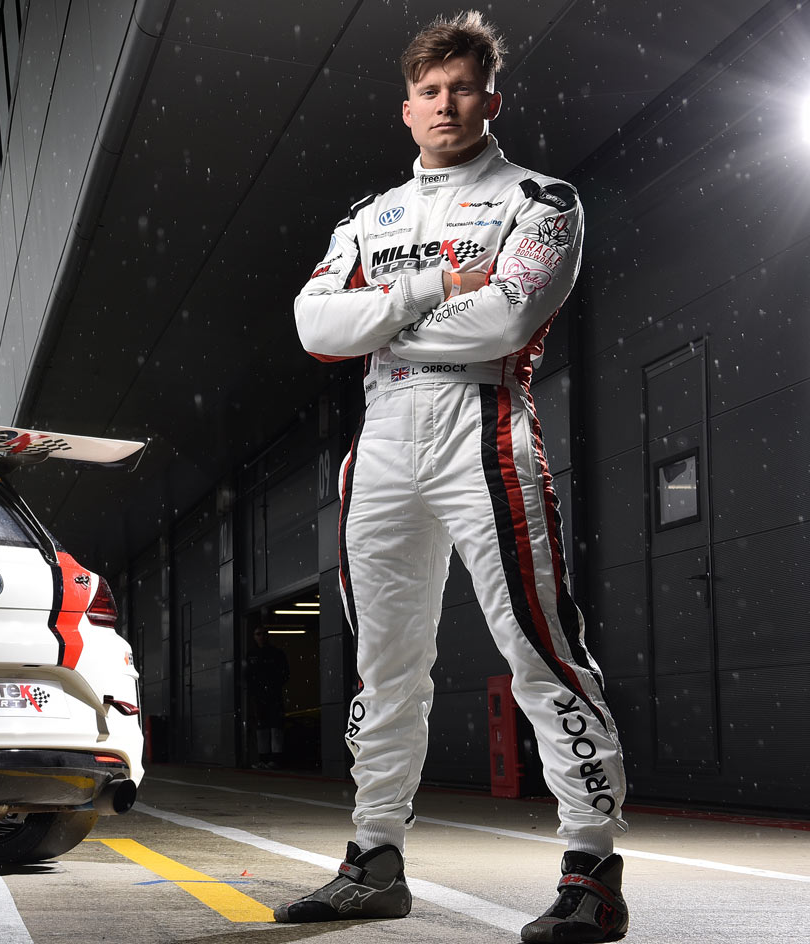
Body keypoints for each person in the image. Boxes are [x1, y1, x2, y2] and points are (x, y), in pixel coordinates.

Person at [284, 11, 629, 943]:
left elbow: (504, 326)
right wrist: (435, 284)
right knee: (384, 667)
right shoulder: (368, 217)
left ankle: (592, 871)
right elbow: (317, 328)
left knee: (537, 651)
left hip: (484, 430)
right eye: (430, 92)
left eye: (462, 87)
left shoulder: (540, 199)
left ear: (491, 97)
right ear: (407, 109)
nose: (446, 104)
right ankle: (373, 858)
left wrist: (379, 317)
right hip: (384, 441)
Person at [243, 628, 289, 769]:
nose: (261, 637)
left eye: (264, 634)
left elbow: (285, 674)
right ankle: (263, 759)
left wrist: (273, 686)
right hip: (259, 697)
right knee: (261, 728)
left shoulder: (276, 654)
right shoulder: (251, 655)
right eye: (258, 634)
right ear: (254, 637)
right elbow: (247, 676)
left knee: (275, 727)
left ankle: (276, 759)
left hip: (274, 696)